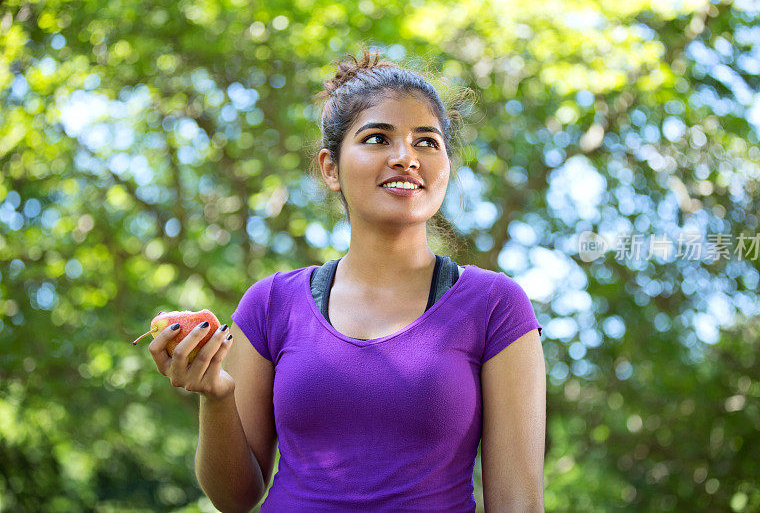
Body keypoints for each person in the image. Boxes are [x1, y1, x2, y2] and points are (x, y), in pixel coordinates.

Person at [148, 48, 546, 512]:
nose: (406, 158)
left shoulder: (495, 305)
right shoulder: (270, 304)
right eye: (377, 139)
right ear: (330, 168)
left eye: (427, 141)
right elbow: (234, 499)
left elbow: (518, 504)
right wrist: (215, 395)